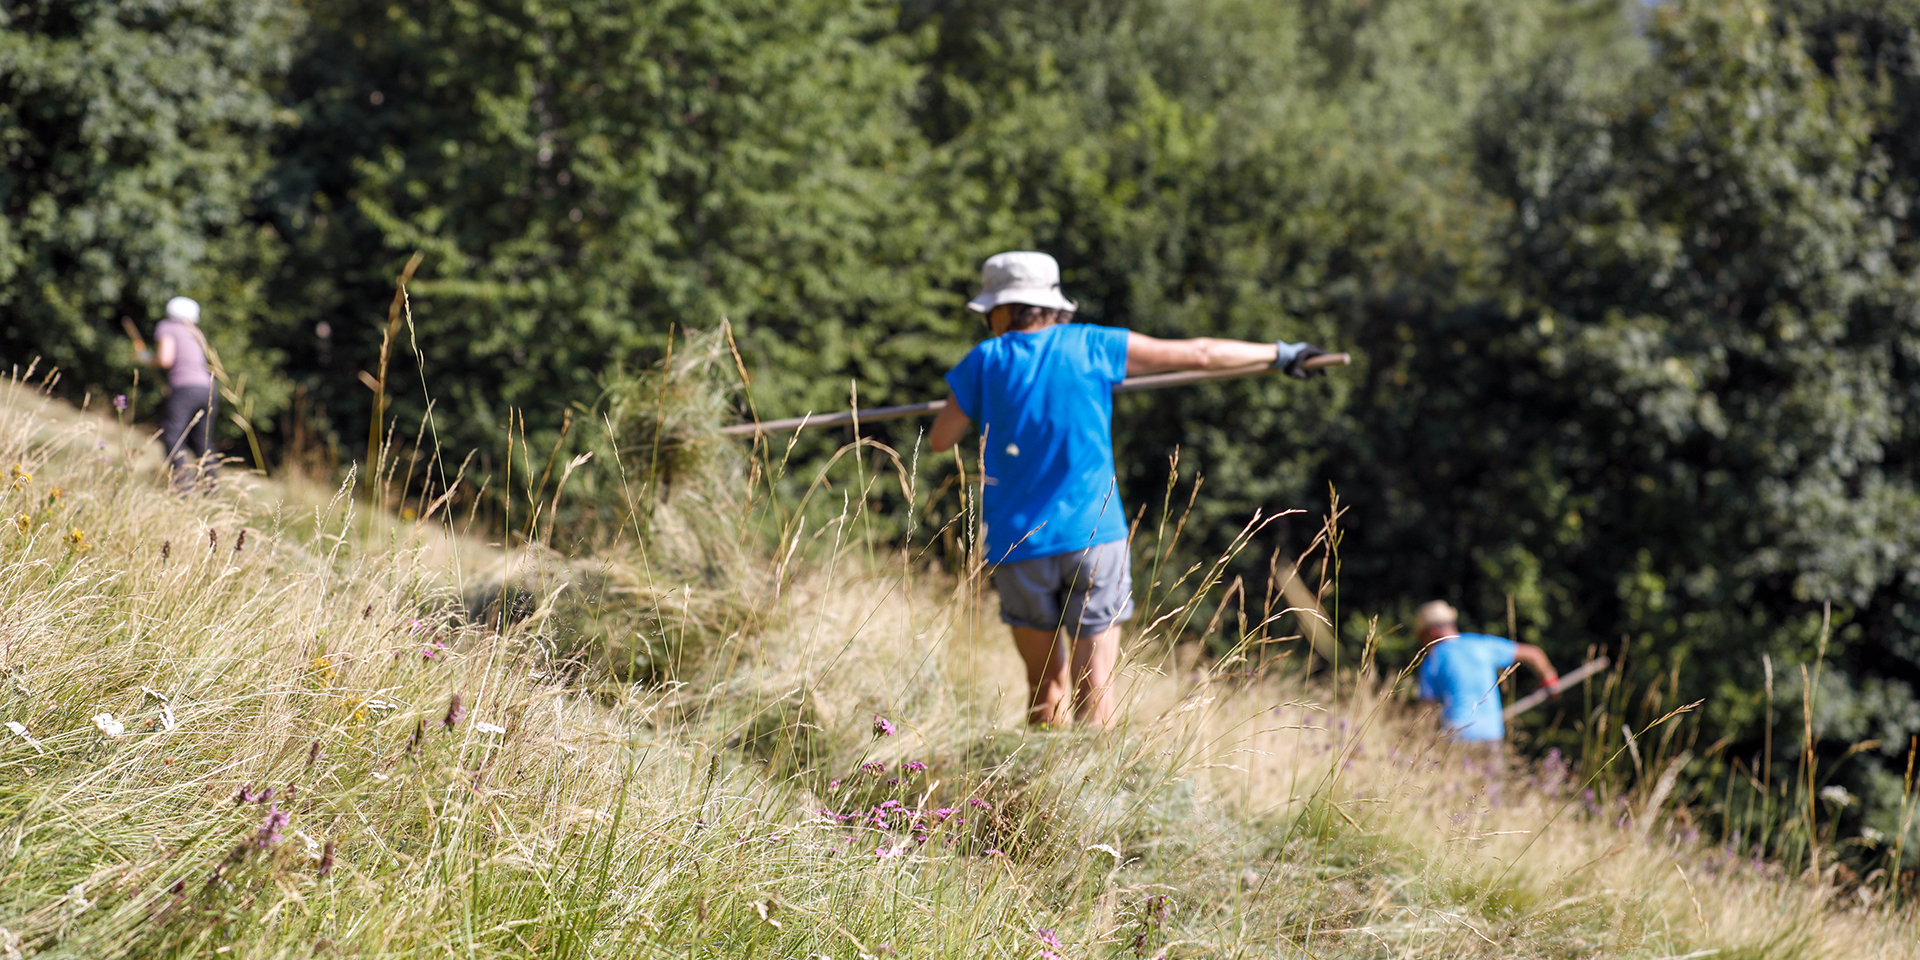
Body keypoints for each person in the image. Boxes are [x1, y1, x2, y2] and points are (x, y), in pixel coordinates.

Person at [929, 251, 1330, 727]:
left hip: (1021, 547)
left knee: (1044, 692)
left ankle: (1037, 796)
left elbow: (939, 440)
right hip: (1094, 539)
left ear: (1002, 308)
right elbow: (1200, 354)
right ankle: (1089, 798)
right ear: (1051, 305)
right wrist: (1282, 354)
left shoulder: (984, 361)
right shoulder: (1092, 345)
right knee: (1095, 696)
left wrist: (977, 399)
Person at [1413, 600, 1558, 751]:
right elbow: (1534, 654)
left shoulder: (1432, 660)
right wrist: (1549, 680)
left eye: (1422, 636)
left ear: (1431, 632)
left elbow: (1426, 709)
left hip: (1457, 739)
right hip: (1491, 735)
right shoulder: (1481, 645)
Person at [150, 296, 219, 490]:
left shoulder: (168, 327)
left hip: (184, 388)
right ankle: (211, 490)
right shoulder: (195, 332)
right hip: (208, 389)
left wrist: (147, 358)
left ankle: (184, 486)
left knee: (172, 436)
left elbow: (165, 359)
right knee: (202, 442)